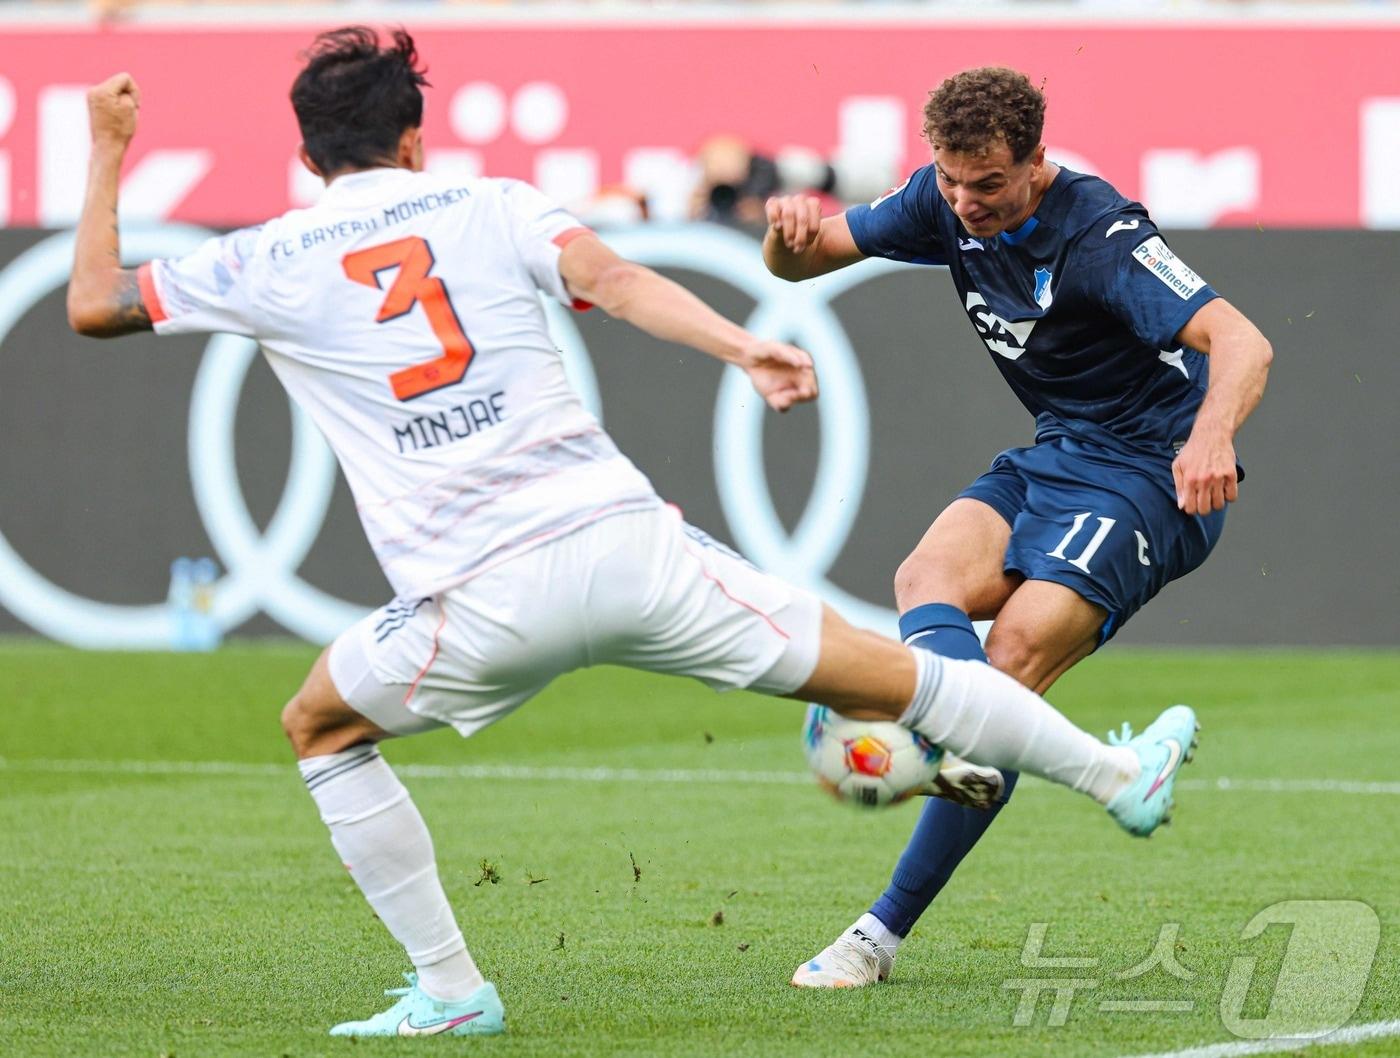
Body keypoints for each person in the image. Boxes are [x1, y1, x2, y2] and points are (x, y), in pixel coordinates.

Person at [69, 34, 1200, 1037]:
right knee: (903, 674)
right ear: (413, 139)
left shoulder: (262, 256)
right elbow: (609, 279)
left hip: (472, 603)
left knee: (319, 724)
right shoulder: (492, 205)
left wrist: (110, 148)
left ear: (309, 153)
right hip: (629, 550)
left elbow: (95, 301)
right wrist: (739, 346)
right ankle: (1114, 772)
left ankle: (452, 985)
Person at [764, 66, 1271, 990]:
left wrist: (1210, 437)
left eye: (987, 184)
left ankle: (875, 938)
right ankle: (1094, 765)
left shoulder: (1105, 234)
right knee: (925, 580)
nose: (964, 204)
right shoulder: (940, 199)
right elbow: (803, 262)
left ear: (1037, 161)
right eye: (951, 181)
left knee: (1012, 666)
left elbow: (1244, 341)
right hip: (1061, 451)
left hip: (1153, 476)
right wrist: (783, 240)